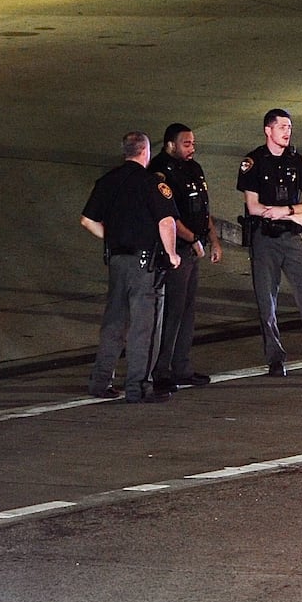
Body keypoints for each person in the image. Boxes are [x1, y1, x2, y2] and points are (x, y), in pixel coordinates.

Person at [237, 108, 302, 377]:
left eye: (289, 127)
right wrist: (297, 212)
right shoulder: (253, 162)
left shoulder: (297, 161)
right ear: (268, 130)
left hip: (292, 237)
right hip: (264, 239)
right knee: (266, 302)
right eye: (282, 127)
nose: (287, 132)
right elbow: (253, 206)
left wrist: (289, 212)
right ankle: (274, 358)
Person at [80, 131, 182, 403]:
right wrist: (171, 254)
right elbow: (166, 222)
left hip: (116, 260)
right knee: (143, 327)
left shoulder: (107, 181)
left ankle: (101, 381)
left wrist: (113, 238)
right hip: (144, 264)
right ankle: (138, 387)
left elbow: (87, 220)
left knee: (114, 322)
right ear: (145, 152)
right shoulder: (153, 183)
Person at [148, 123, 221, 395]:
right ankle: (161, 370)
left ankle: (182, 366)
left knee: (188, 311)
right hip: (175, 250)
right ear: (170, 145)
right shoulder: (160, 172)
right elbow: (169, 217)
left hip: (194, 247)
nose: (192, 148)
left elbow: (204, 208)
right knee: (172, 312)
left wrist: (213, 240)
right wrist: (192, 239)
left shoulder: (194, 169)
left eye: (193, 143)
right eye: (186, 144)